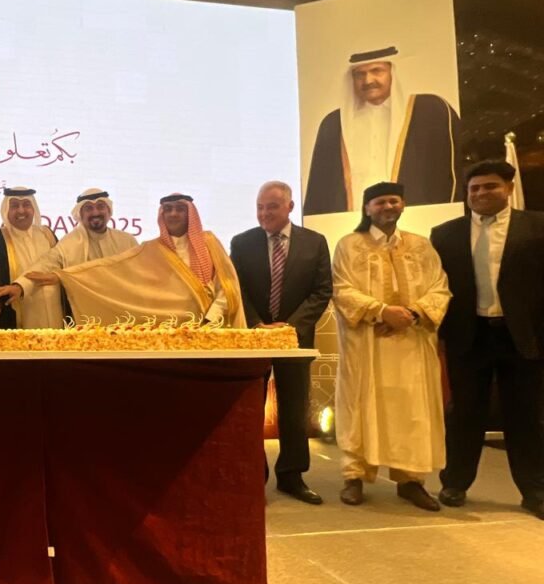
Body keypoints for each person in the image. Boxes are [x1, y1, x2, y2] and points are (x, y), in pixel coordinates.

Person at [430, 160, 544, 519]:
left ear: (509, 188)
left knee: (525, 415)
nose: (481, 193)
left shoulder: (537, 227)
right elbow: (437, 287)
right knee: (464, 413)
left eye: (490, 186)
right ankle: (455, 483)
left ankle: (535, 490)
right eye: (474, 188)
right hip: (469, 334)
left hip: (522, 336)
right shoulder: (445, 234)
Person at [331, 182, 451, 510]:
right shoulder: (349, 245)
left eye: (393, 201)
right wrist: (382, 311)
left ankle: (410, 480)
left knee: (412, 410)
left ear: (402, 205)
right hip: (367, 344)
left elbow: (440, 287)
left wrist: (413, 313)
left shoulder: (421, 246)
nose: (387, 207)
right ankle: (354, 476)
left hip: (412, 343)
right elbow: (342, 289)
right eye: (379, 202)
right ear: (367, 208)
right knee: (361, 406)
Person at [230, 181, 331, 505]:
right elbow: (236, 290)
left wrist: (290, 327)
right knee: (251, 411)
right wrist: (258, 325)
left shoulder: (315, 242)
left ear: (289, 207)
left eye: (271, 207)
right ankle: (252, 476)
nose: (264, 213)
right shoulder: (242, 243)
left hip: (295, 340)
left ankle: (292, 476)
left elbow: (322, 290)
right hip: (254, 340)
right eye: (260, 207)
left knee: (294, 409)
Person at [39, 193, 246, 326]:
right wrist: (63, 276)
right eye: (168, 209)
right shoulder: (152, 249)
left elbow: (226, 286)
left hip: (213, 326)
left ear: (191, 213)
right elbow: (110, 268)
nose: (173, 214)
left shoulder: (209, 242)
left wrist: (211, 319)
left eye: (180, 209)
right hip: (171, 330)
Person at [304, 46, 459, 215]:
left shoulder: (431, 110)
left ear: (392, 72)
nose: (368, 80)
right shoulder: (333, 123)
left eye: (377, 71)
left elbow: (450, 175)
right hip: (350, 223)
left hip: (418, 219)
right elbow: (318, 190)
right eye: (359, 74)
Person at [0, 187, 138, 306]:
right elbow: (45, 264)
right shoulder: (70, 243)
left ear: (109, 211)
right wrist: (20, 286)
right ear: (80, 214)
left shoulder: (127, 241)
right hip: (88, 316)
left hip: (123, 312)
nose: (95, 212)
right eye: (88, 208)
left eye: (100, 207)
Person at [0, 187, 65, 329]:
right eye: (14, 206)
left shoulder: (47, 234)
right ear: (6, 210)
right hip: (22, 314)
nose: (21, 211)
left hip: (55, 311)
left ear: (34, 208)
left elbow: (61, 266)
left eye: (26, 205)